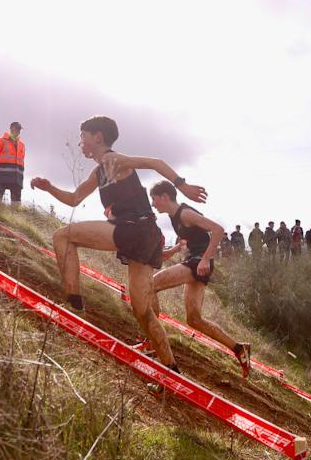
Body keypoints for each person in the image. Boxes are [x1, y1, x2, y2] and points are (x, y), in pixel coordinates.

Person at [31, 116, 205, 383]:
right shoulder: (98, 172)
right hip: (145, 234)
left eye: (83, 137)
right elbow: (75, 199)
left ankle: (74, 308)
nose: (80, 143)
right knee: (142, 311)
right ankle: (172, 373)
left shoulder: (113, 160)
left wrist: (183, 186)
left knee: (62, 236)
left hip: (133, 228)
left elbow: (155, 162)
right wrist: (50, 188)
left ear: (98, 137)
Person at [147, 181, 251, 377]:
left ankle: (152, 342)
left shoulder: (185, 213)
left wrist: (205, 259)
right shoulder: (174, 216)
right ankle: (239, 348)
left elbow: (217, 230)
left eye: (154, 199)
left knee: (150, 285)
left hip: (198, 262)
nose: (153, 204)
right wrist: (174, 250)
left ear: (165, 197)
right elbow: (190, 237)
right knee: (194, 319)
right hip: (196, 261)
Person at [0, 122, 25, 204]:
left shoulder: (22, 145)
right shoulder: (0, 141)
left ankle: (16, 212)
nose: (18, 131)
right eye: (16, 128)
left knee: (16, 201)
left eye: (19, 129)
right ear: (11, 128)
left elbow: (21, 160)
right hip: (2, 175)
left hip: (17, 177)